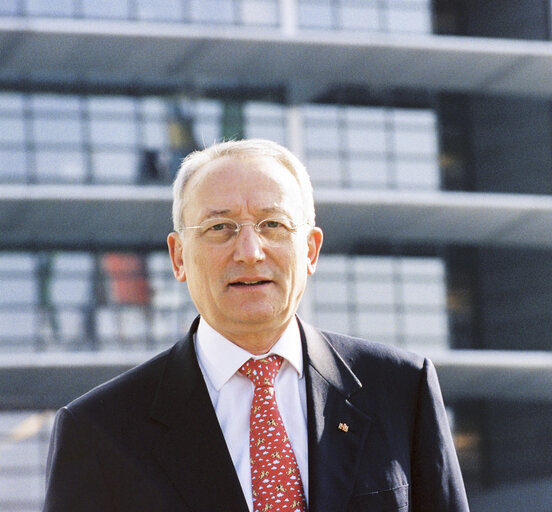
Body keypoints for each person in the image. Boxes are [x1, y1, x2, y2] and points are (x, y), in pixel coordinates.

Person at [43, 139, 469, 512]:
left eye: (273, 225)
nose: (249, 251)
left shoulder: (401, 390)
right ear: (178, 258)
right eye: (220, 227)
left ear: (311, 249)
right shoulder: (100, 431)